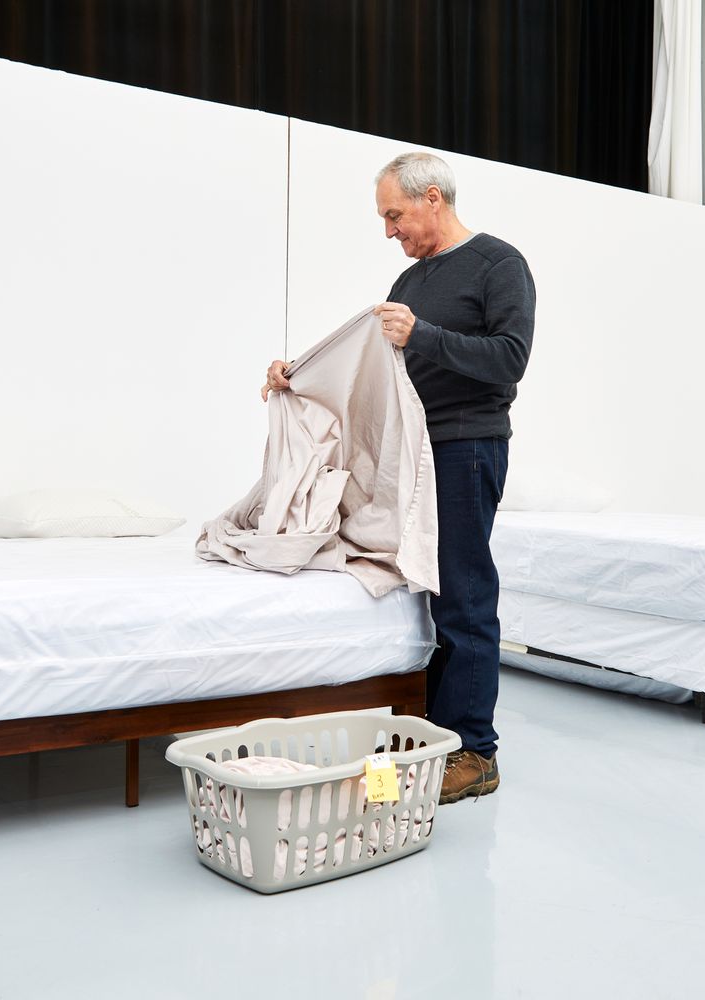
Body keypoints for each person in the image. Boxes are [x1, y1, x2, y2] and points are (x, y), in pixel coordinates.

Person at [263, 151, 535, 803]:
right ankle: (424, 738)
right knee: (424, 588)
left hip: (466, 448)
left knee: (464, 595)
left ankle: (475, 751)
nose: (390, 231)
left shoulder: (500, 264)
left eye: (395, 215)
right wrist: (299, 375)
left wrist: (426, 336)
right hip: (412, 455)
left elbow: (510, 359)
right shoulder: (408, 285)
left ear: (432, 198)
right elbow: (372, 371)